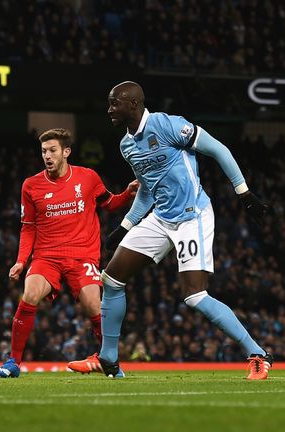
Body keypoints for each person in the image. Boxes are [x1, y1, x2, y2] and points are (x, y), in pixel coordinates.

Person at [98, 81, 272, 380]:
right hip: (161, 217)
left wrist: (243, 193)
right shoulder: (127, 146)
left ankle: (257, 354)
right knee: (112, 279)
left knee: (194, 296)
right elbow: (148, 191)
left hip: (193, 215)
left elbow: (218, 149)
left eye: (115, 103)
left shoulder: (168, 125)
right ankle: (109, 359)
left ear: (134, 104)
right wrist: (125, 226)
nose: (109, 109)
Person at [0, 128, 138, 378]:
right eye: (43, 151)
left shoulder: (88, 177)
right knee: (29, 293)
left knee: (94, 304)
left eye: (52, 150)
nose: (47, 156)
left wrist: (126, 195)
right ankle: (13, 362)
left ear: (66, 152)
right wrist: (20, 262)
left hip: (82, 256)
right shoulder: (31, 185)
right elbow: (28, 228)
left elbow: (109, 203)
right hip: (46, 257)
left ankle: (110, 362)